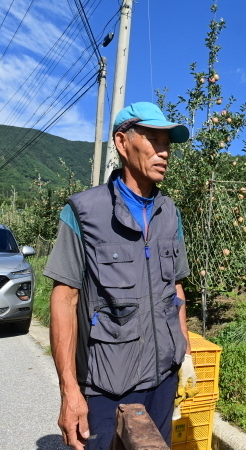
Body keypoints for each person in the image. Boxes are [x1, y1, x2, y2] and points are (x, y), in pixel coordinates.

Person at [44, 102, 196, 450]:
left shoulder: (170, 214)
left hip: (162, 380)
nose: (164, 151)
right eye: (154, 139)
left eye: (167, 143)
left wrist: (184, 351)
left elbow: (176, 286)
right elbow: (65, 299)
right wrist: (69, 390)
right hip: (105, 386)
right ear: (122, 142)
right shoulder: (83, 212)